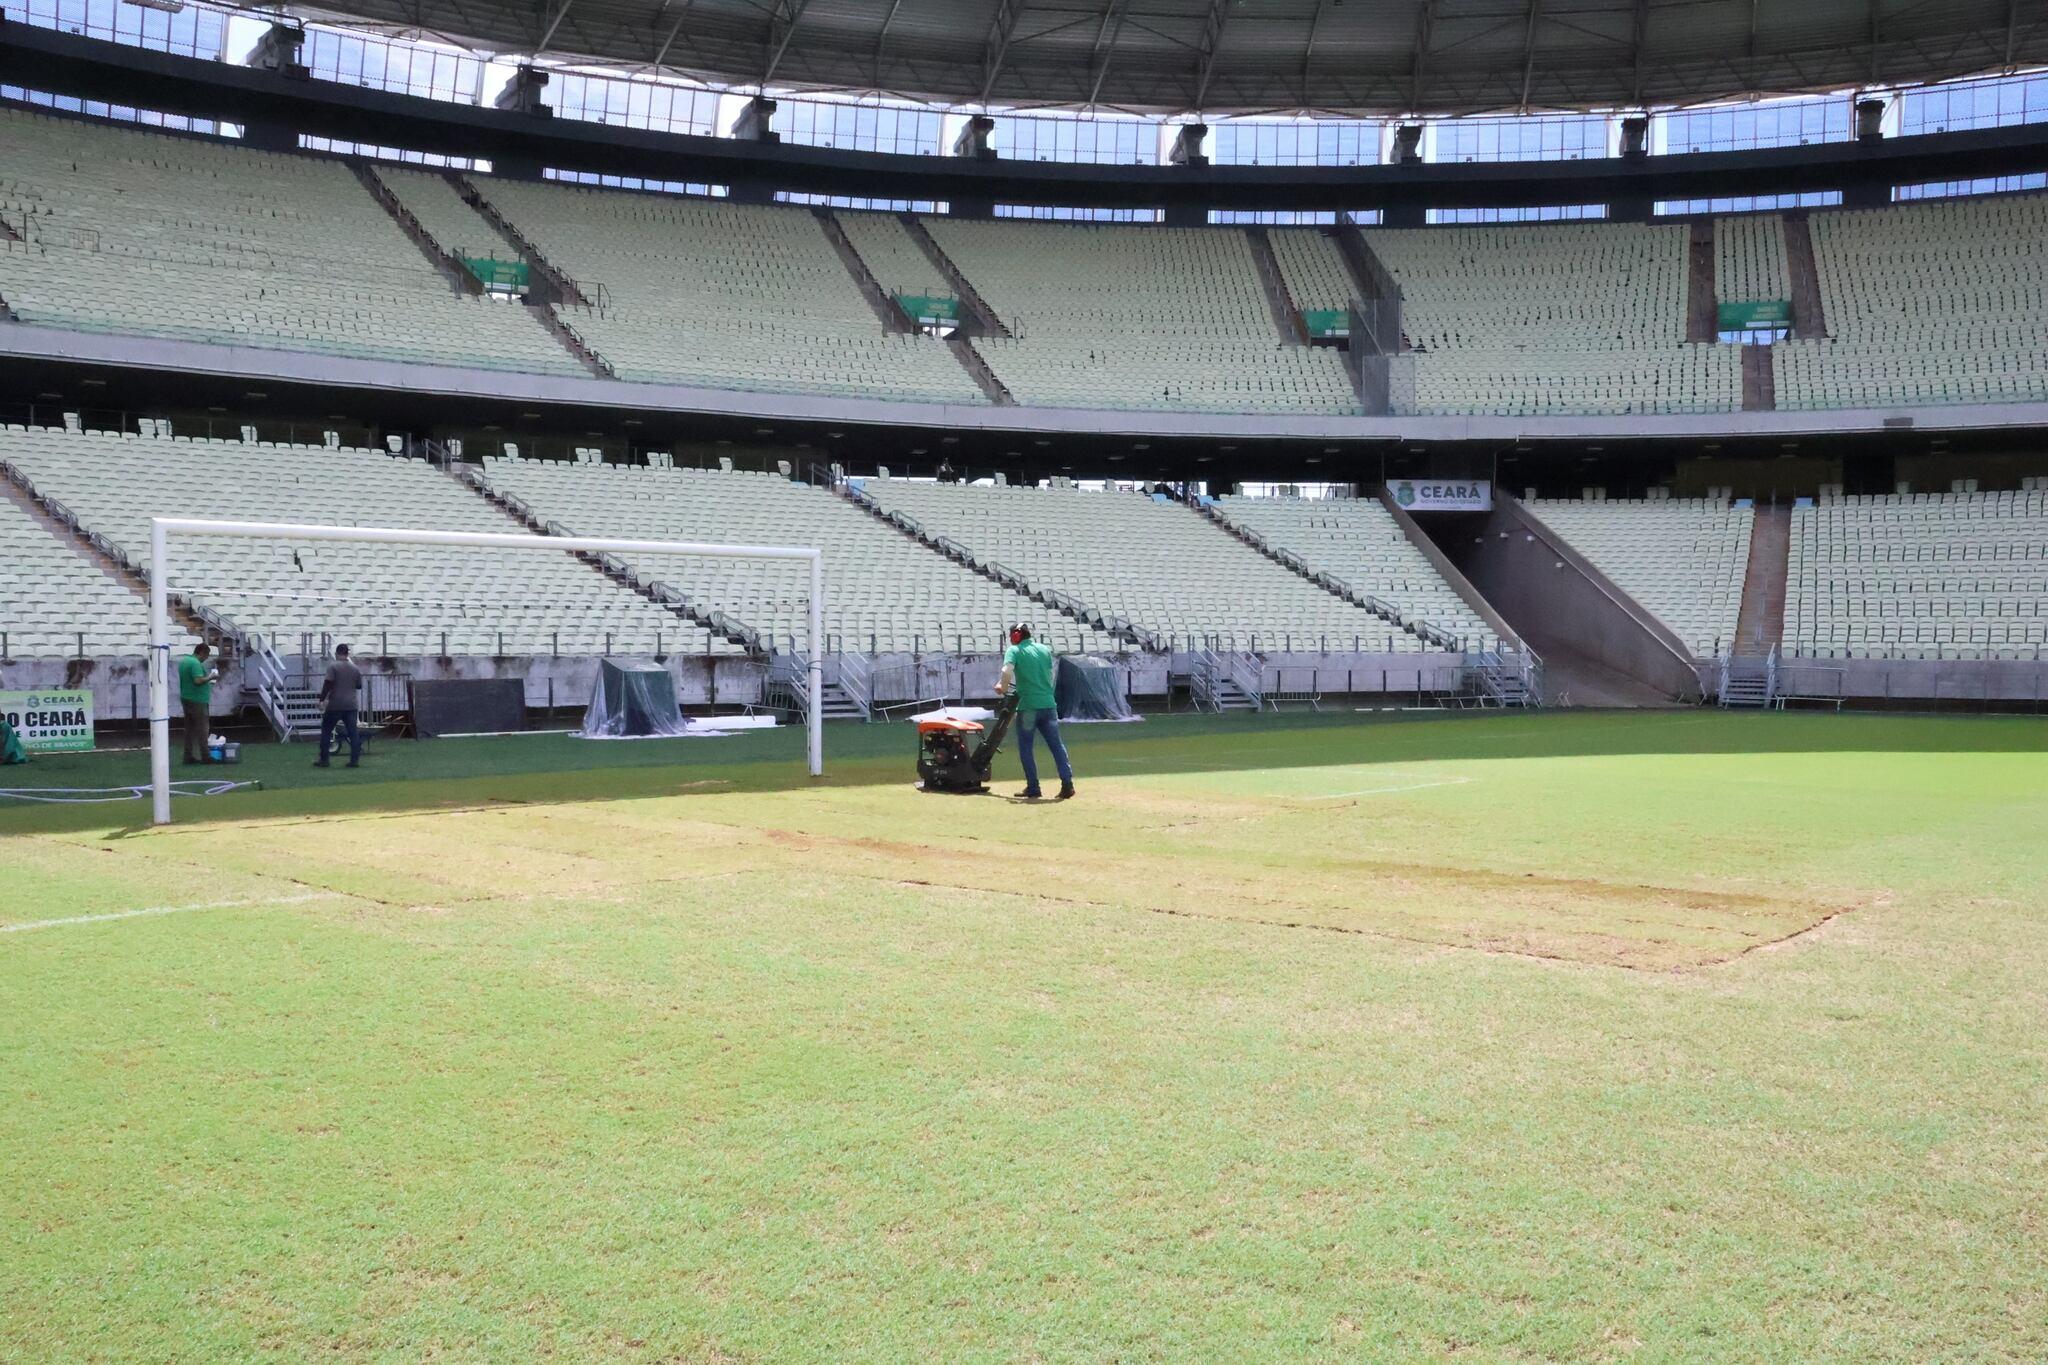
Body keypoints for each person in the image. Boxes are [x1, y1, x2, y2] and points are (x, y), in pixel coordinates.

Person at [997, 623, 1074, 801]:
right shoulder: (1044, 650)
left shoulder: (1014, 651)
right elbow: (1048, 674)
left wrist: (1002, 686)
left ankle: (1033, 787)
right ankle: (1067, 784)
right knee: (1057, 746)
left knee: (1026, 748)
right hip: (1048, 704)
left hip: (1029, 707)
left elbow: (1006, 670)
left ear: (1016, 636)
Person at [314, 644, 365, 769]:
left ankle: (324, 759)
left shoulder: (333, 667)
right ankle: (354, 760)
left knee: (326, 730)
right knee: (353, 733)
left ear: (337, 653)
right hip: (351, 705)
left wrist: (321, 699)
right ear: (347, 654)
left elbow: (328, 683)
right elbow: (359, 686)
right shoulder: (355, 668)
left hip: (335, 704)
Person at [177, 643, 218, 764]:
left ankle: (188, 755)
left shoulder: (185, 661)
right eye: (206, 655)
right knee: (202, 729)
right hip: (197, 700)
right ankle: (206, 756)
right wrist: (210, 677)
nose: (206, 658)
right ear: (202, 653)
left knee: (189, 729)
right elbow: (197, 680)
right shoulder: (195, 664)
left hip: (186, 697)